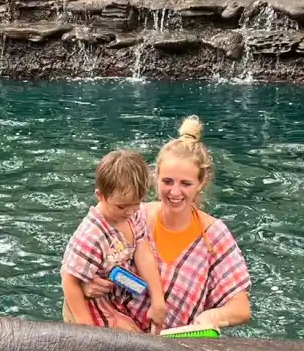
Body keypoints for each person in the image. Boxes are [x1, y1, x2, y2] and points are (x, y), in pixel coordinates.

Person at [79, 117, 252, 332]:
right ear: (156, 177)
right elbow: (79, 263)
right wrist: (87, 285)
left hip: (174, 345)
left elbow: (241, 308)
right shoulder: (131, 216)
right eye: (167, 181)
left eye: (186, 183)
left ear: (201, 183)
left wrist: (213, 316)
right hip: (118, 336)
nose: (175, 192)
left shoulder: (214, 236)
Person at [60, 149, 167, 333]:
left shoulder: (134, 216)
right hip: (90, 307)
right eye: (121, 206)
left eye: (137, 203)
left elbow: (143, 251)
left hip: (115, 298)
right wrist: (87, 329)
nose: (129, 212)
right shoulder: (91, 236)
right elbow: (70, 282)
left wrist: (157, 299)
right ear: (100, 196)